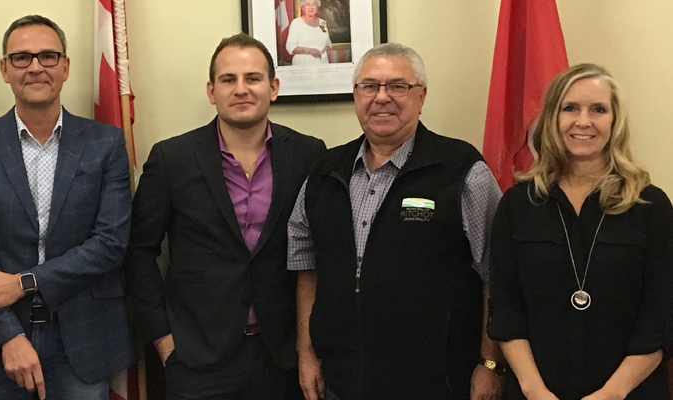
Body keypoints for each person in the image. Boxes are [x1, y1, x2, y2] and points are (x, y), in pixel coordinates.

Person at [288, 42, 505, 400]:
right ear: (356, 95)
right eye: (369, 86)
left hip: (438, 381)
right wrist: (307, 353)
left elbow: (496, 276)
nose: (382, 97)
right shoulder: (324, 172)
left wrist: (491, 363)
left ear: (421, 97)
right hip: (342, 380)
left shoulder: (462, 170)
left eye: (398, 86)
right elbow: (306, 268)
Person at [124, 33, 326, 400]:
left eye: (253, 78)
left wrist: (307, 347)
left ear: (273, 87)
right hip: (197, 357)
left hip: (282, 355)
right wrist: (165, 342)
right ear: (211, 90)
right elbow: (138, 251)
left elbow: (317, 254)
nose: (241, 89)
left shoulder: (309, 154)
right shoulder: (173, 159)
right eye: (228, 80)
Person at [0, 14, 137, 400]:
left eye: (48, 56)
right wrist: (9, 336)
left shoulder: (106, 143)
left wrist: (24, 283)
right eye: (21, 58)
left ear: (65, 67)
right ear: (4, 69)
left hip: (82, 340)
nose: (35, 67)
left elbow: (110, 243)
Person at [488, 63, 673, 400]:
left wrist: (612, 395)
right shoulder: (518, 204)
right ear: (551, 119)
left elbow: (660, 318)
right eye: (570, 108)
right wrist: (535, 391)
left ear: (614, 121)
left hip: (630, 393)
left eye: (598, 109)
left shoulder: (651, 205)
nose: (583, 121)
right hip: (536, 393)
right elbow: (506, 311)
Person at [285, 0, 332, 65]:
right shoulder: (296, 23)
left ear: (317, 7)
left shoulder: (322, 23)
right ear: (303, 7)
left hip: (321, 63)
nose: (311, 7)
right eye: (308, 5)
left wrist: (326, 49)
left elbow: (328, 43)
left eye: (313, 4)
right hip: (303, 64)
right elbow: (290, 46)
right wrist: (309, 51)